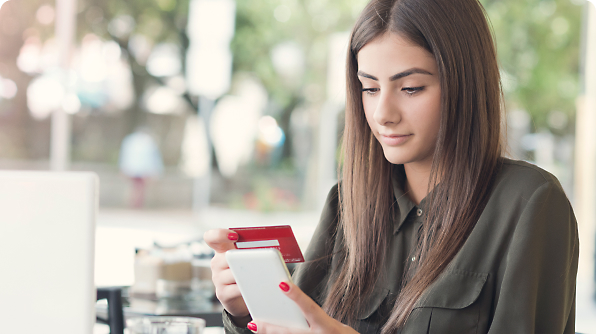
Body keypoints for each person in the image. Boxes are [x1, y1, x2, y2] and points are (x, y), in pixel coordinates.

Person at [204, 0, 579, 332]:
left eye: (411, 88)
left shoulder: (531, 204)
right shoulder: (346, 204)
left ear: (464, 83)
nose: (383, 114)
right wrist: (244, 311)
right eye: (369, 88)